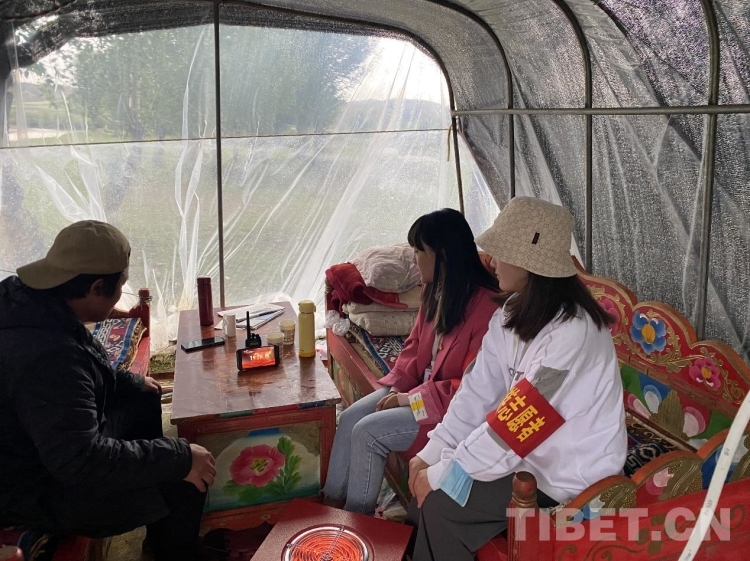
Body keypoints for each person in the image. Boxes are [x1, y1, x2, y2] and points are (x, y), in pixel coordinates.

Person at [408, 197, 627, 561]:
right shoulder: (511, 313)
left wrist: (441, 472)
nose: (491, 261)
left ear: (529, 263)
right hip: (525, 460)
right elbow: (477, 391)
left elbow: (517, 424)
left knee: (440, 504)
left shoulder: (573, 334)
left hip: (568, 479)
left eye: (501, 252)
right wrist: (432, 452)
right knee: (423, 496)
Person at [0, 221, 216, 561]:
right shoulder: (48, 359)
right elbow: (80, 460)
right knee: (185, 479)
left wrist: (128, 381)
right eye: (119, 288)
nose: (120, 297)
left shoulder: (29, 300)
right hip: (31, 487)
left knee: (142, 397)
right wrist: (178, 459)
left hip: (40, 445)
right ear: (96, 287)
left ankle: (158, 531)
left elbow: (81, 368)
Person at [322, 208, 500, 515]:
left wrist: (408, 399)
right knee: (350, 418)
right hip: (418, 390)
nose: (414, 259)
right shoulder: (435, 289)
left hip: (445, 408)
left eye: (419, 252)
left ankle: (355, 523)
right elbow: (414, 345)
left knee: (367, 432)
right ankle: (330, 505)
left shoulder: (488, 308)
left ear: (443, 256)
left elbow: (469, 389)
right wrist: (397, 389)